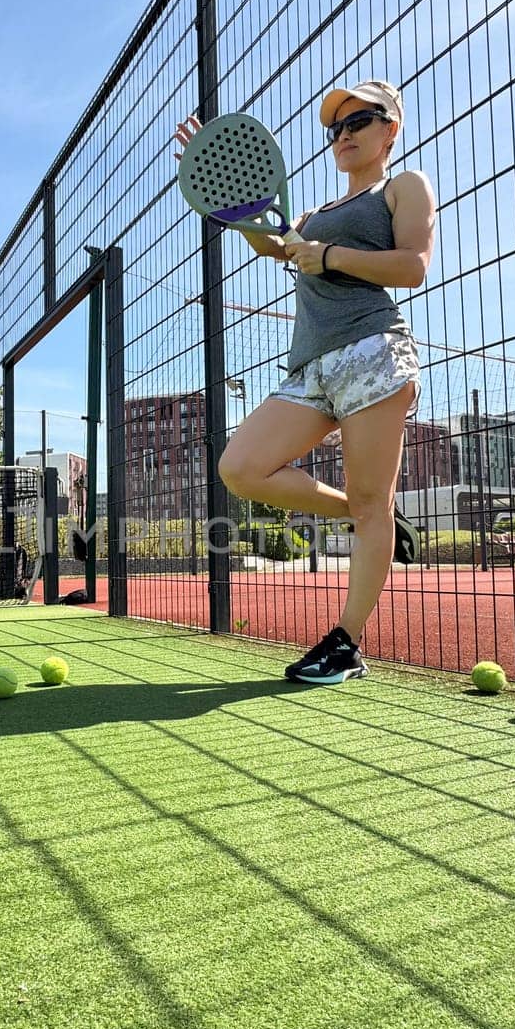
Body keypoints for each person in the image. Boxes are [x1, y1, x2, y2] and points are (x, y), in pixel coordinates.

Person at [185, 81, 437, 683]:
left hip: (374, 352)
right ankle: (365, 513)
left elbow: (413, 267)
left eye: (360, 121)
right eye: (336, 128)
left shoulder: (402, 186)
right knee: (240, 467)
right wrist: (233, 195)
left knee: (375, 502)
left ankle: (347, 644)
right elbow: (271, 244)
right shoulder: (312, 214)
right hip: (311, 368)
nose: (344, 134)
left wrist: (326, 256)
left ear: (390, 131)